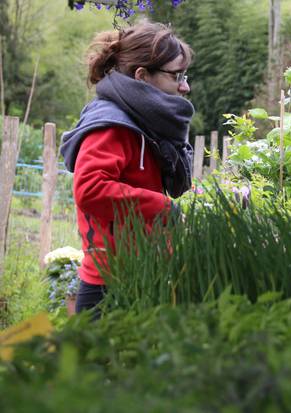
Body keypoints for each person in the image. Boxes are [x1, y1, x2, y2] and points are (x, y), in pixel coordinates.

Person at [60, 22, 194, 315]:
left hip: (142, 271)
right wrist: (163, 207)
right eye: (176, 76)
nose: (185, 86)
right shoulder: (111, 124)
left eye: (186, 75)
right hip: (108, 284)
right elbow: (90, 189)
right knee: (99, 362)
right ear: (142, 76)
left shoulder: (145, 121)